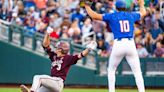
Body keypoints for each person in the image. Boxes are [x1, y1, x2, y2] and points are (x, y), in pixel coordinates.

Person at [84, 0, 146, 92]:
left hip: (119, 43)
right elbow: (143, 13)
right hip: (130, 44)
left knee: (111, 70)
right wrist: (141, 4)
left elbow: (94, 15)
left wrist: (86, 6)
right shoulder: (131, 15)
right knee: (137, 72)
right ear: (125, 7)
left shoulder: (112, 15)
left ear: (116, 7)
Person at [20, 26, 97, 92]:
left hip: (58, 82)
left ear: (60, 49)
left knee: (38, 77)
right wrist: (47, 34)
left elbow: (81, 55)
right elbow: (45, 45)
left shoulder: (68, 58)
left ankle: (31, 91)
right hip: (52, 83)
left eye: (57, 47)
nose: (56, 48)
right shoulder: (53, 55)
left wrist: (89, 49)